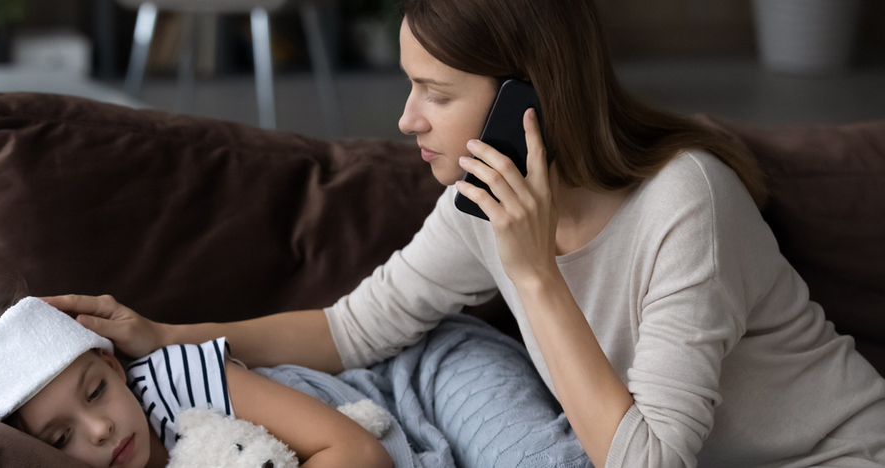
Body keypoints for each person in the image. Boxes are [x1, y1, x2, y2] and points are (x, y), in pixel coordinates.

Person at [44, 0, 885, 466]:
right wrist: (166, 335)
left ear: (530, 98)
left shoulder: (686, 205)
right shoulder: (476, 205)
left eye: (435, 92)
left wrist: (537, 276)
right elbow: (353, 329)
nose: (408, 118)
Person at [0, 297, 391, 468]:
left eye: (96, 391)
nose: (99, 429)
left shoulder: (176, 381)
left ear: (113, 367)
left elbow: (361, 453)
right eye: (60, 438)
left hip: (390, 395)